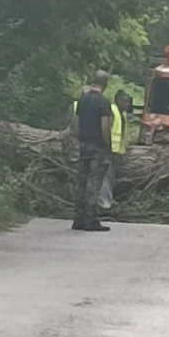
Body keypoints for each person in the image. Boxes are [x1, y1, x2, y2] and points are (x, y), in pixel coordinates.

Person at [72, 70, 113, 232]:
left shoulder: (83, 100)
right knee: (94, 184)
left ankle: (78, 219)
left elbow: (76, 123)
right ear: (106, 84)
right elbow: (105, 127)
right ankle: (91, 220)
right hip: (97, 147)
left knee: (81, 182)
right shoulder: (103, 102)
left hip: (84, 145)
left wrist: (80, 138)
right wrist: (107, 147)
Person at [100, 90, 132, 210]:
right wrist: (107, 147)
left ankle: (109, 199)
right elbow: (106, 129)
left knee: (111, 177)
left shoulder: (122, 114)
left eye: (129, 102)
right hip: (108, 150)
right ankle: (105, 203)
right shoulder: (112, 111)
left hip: (115, 151)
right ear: (118, 101)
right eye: (125, 101)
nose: (128, 104)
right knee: (105, 177)